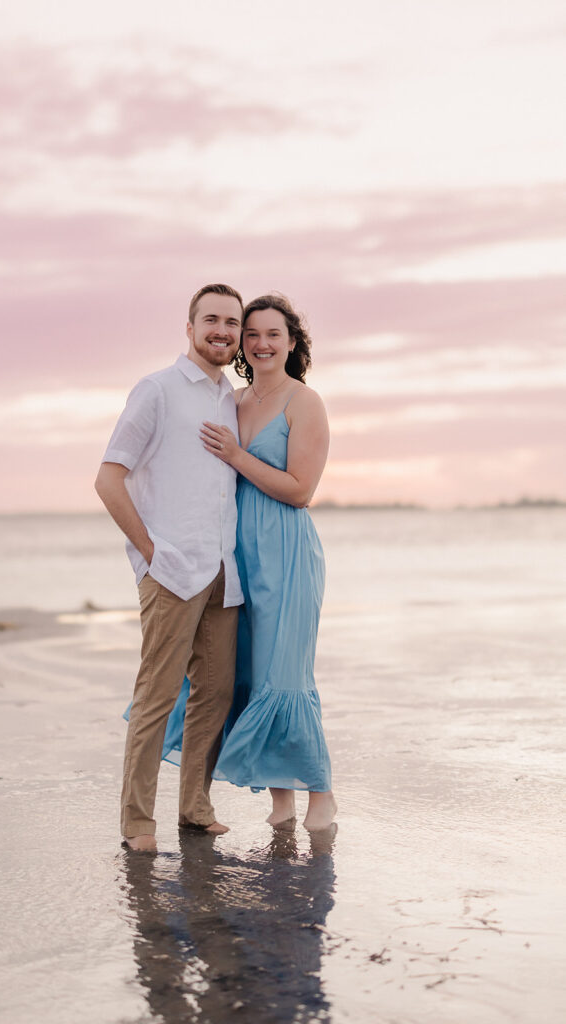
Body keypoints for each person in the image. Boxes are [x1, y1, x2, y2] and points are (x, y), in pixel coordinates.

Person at [95, 283, 244, 852]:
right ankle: (137, 822)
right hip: (173, 570)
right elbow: (109, 479)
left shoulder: (230, 399)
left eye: (232, 322)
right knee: (157, 694)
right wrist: (150, 554)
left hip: (225, 569)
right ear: (189, 327)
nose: (223, 331)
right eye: (212, 319)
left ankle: (195, 808)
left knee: (215, 693)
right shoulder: (156, 390)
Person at [200, 293, 337, 831]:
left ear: (292, 341)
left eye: (272, 334)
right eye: (251, 334)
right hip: (239, 553)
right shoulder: (232, 401)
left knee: (287, 675)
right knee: (255, 675)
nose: (260, 344)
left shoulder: (305, 401)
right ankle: (282, 800)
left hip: (287, 551)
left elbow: (301, 490)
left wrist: (237, 456)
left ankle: (321, 793)